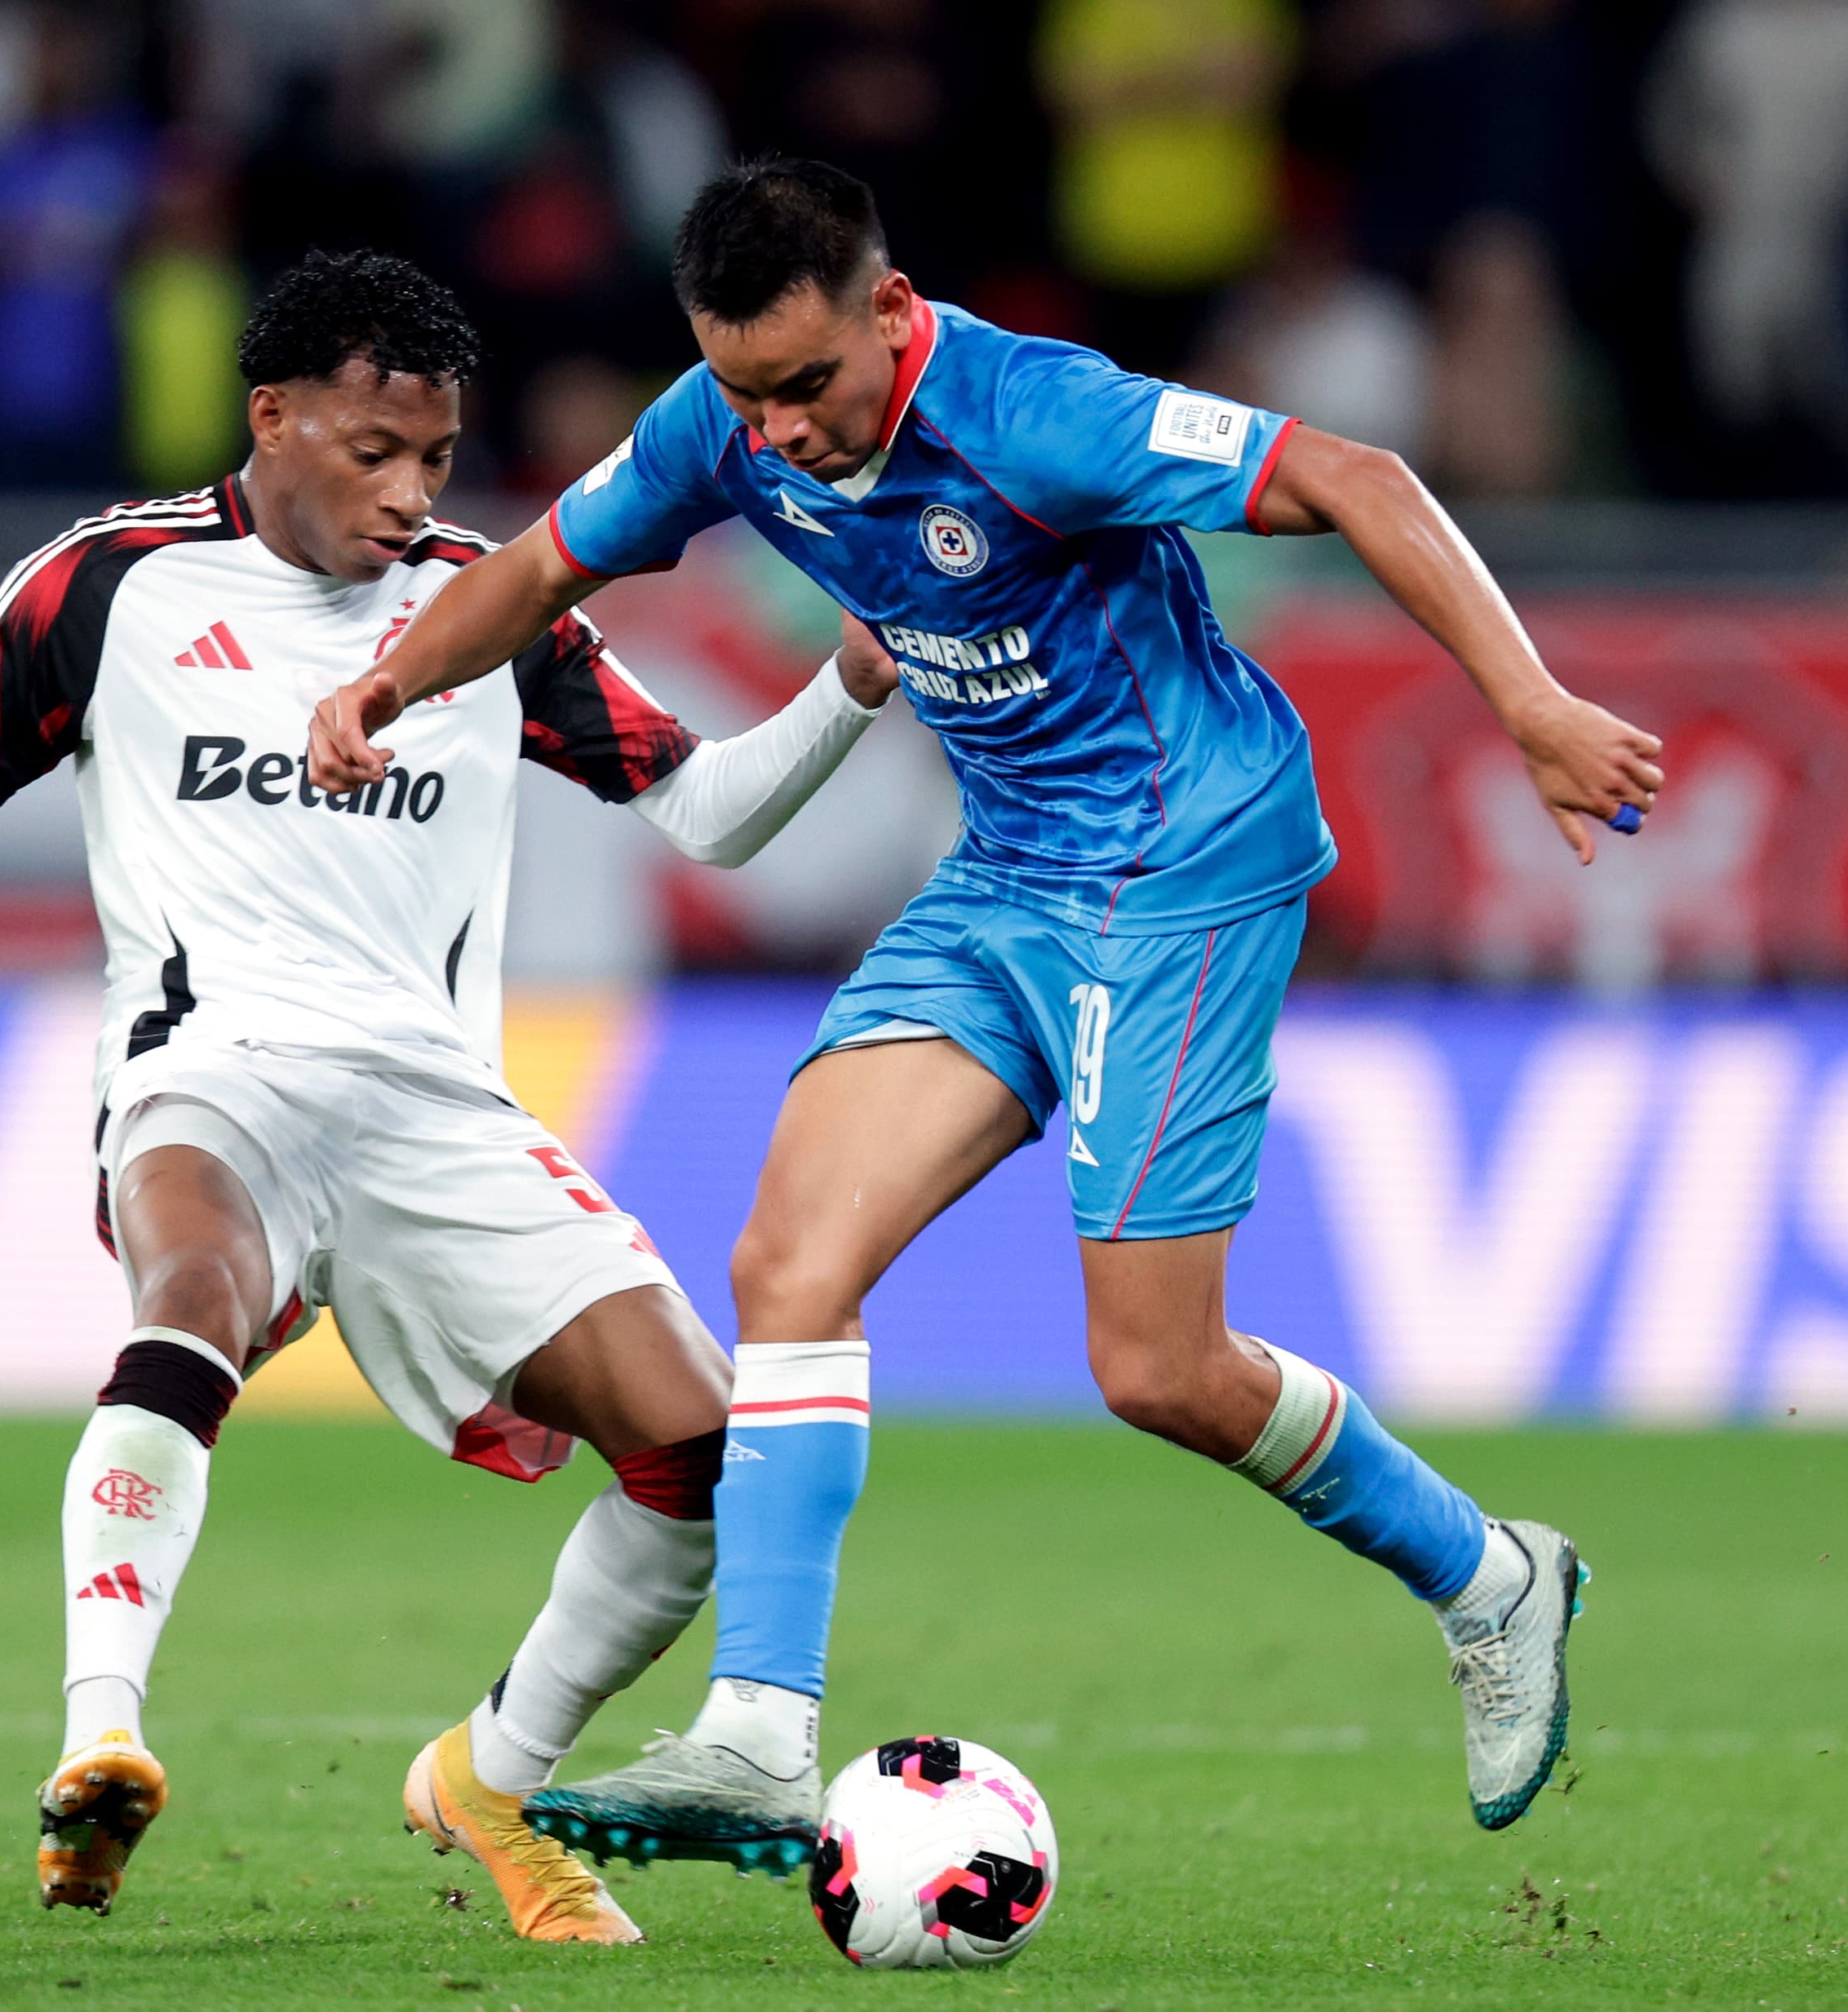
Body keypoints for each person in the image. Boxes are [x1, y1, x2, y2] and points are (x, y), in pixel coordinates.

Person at [0, 251, 897, 1942]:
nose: (408, 489)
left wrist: (854, 680)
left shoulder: (488, 604)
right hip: (209, 1071)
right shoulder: (108, 584)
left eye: (432, 455)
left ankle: (492, 1772)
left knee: (704, 1452)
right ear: (270, 417)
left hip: (438, 1109)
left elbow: (712, 813)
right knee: (191, 1300)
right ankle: (103, 1736)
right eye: (371, 448)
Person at [314, 159, 1663, 1872]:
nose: (783, 431)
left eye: (809, 383)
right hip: (1007, 874)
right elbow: (538, 568)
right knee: (787, 1262)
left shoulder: (1040, 414)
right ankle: (755, 1734)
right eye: (747, 391)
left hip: (1185, 864)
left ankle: (1489, 1571)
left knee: (1156, 1366)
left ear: (890, 311)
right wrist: (387, 677)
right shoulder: (718, 428)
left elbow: (1353, 472)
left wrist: (1531, 706)